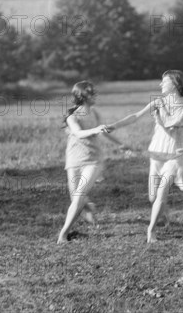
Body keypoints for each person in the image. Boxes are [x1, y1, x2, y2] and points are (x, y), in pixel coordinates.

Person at [105, 70, 183, 243]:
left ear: (176, 83)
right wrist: (114, 126)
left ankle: (151, 231)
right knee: (153, 197)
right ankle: (163, 212)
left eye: (164, 81)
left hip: (175, 155)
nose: (160, 84)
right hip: (156, 154)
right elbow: (135, 116)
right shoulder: (157, 102)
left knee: (162, 193)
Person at [57, 80, 126, 244]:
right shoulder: (71, 117)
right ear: (82, 95)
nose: (95, 95)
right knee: (76, 197)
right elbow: (79, 133)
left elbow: (105, 131)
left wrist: (121, 144)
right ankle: (87, 207)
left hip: (94, 160)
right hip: (74, 160)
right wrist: (96, 129)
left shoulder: (94, 113)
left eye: (95, 92)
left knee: (79, 195)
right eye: (91, 92)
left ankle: (63, 234)